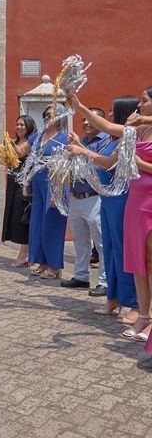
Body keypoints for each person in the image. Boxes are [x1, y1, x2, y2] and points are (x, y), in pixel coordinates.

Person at [69, 90, 152, 344]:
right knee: (139, 262)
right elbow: (104, 125)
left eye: (145, 100)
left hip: (149, 201)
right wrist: (79, 105)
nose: (140, 104)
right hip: (135, 203)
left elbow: (130, 163)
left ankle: (144, 316)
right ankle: (144, 317)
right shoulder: (137, 131)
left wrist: (139, 162)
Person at [61, 118, 109, 292]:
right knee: (80, 240)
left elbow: (101, 164)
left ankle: (104, 282)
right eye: (84, 121)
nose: (86, 123)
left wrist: (79, 146)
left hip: (95, 197)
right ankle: (81, 276)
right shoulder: (82, 141)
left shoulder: (105, 141)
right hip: (77, 195)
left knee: (101, 242)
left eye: (91, 120)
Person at [25, 104, 69, 280]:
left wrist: (57, 192)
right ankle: (42, 261)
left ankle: (55, 265)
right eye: (45, 115)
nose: (46, 118)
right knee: (39, 224)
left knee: (53, 224)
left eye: (50, 115)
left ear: (60, 117)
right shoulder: (38, 137)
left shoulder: (65, 138)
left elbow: (65, 167)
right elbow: (21, 151)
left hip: (54, 185)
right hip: (38, 185)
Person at [0, 115, 36, 266]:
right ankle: (25, 254)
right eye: (17, 124)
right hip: (14, 185)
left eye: (22, 124)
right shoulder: (14, 142)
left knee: (23, 220)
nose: (19, 127)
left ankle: (24, 255)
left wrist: (9, 143)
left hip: (25, 186)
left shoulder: (31, 141)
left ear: (29, 126)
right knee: (15, 218)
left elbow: (20, 152)